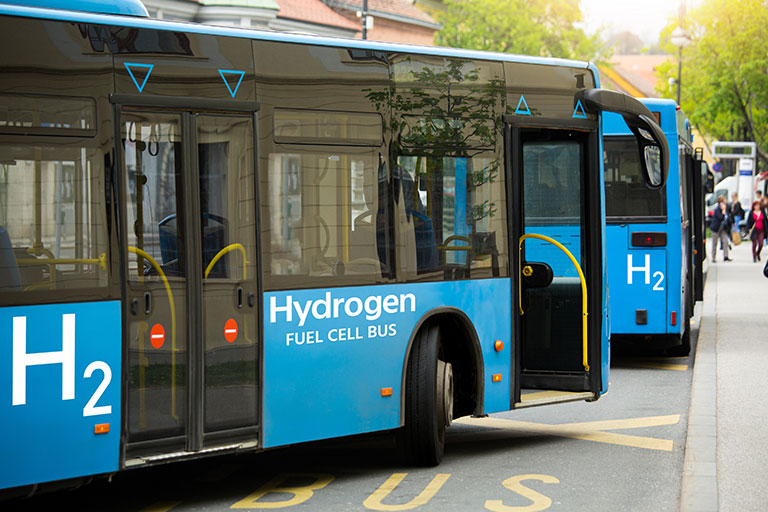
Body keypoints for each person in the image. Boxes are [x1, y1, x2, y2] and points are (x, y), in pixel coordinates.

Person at [710, 195, 731, 262]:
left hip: (723, 227)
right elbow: (720, 217)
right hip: (716, 227)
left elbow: (728, 217)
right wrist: (723, 211)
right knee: (715, 242)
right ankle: (713, 257)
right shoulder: (717, 209)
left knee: (725, 241)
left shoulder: (725, 208)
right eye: (724, 200)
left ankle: (726, 256)